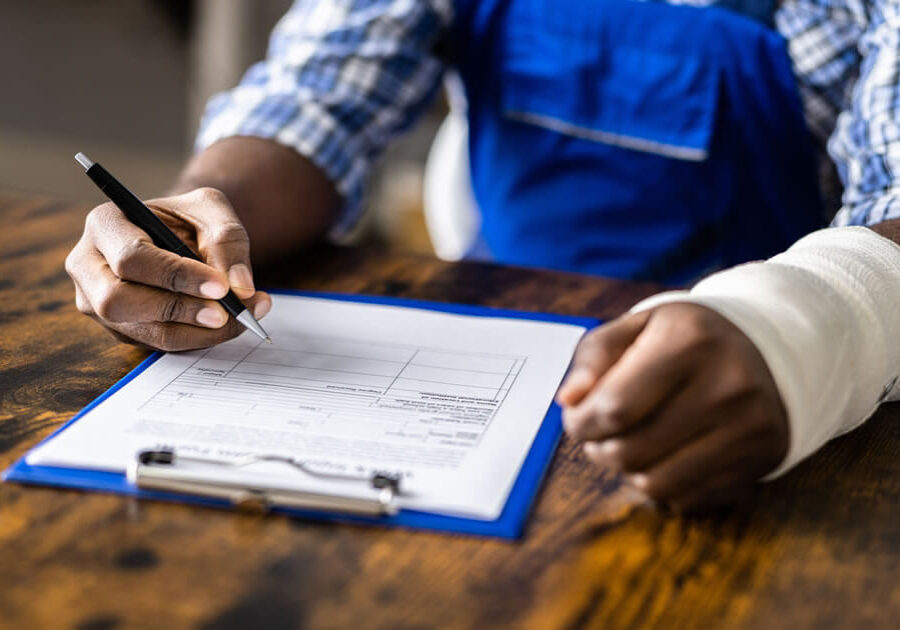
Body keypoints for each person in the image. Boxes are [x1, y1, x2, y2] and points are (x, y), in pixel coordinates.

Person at [65, 0, 900, 510]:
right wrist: (200, 215)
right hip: (499, 351)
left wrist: (803, 333)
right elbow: (315, 95)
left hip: (762, 386)